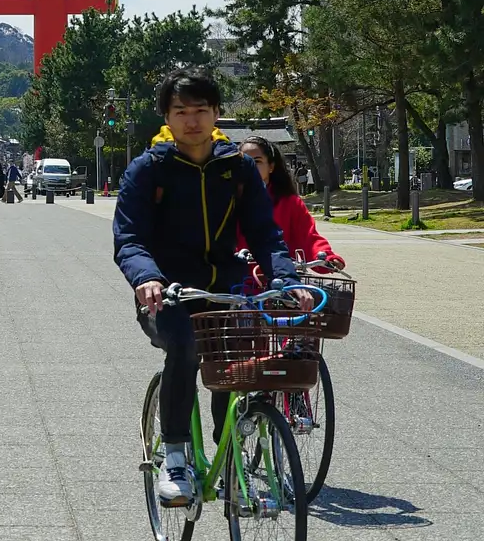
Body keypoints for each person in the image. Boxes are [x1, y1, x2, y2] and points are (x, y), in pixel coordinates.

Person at [113, 67, 311, 508]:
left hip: (224, 287)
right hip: (167, 293)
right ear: (166, 115)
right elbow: (129, 238)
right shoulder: (148, 170)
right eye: (181, 111)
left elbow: (265, 233)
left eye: (201, 110)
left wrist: (285, 278)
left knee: (235, 365)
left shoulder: (237, 169)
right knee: (183, 345)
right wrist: (147, 278)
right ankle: (177, 457)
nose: (192, 120)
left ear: (217, 113)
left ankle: (231, 461)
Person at [237, 136, 346, 279]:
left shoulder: (289, 202)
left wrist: (326, 256)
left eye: (257, 161)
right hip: (236, 280)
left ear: (271, 166)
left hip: (280, 279)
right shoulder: (227, 200)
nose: (250, 167)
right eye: (244, 161)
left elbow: (308, 236)